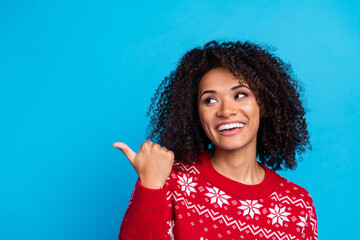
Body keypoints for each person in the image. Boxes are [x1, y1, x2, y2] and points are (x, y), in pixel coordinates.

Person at [113, 41, 318, 240]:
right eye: (210, 100)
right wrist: (150, 186)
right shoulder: (169, 179)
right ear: (197, 116)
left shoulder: (297, 205)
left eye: (240, 95)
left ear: (263, 105)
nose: (226, 111)